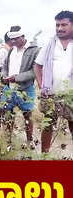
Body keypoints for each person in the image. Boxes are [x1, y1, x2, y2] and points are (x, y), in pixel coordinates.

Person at [35, 10, 73, 153]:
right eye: (57, 25)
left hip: (71, 95)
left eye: (64, 25)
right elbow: (37, 66)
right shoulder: (50, 44)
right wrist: (41, 85)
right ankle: (45, 156)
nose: (60, 28)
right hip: (51, 94)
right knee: (48, 124)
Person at [0, 29, 40, 147]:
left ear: (23, 36)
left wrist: (16, 78)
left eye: (16, 39)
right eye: (11, 39)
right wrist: (4, 75)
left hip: (26, 88)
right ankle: (7, 143)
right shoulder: (11, 50)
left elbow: (34, 71)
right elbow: (5, 66)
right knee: (7, 114)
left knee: (27, 115)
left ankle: (29, 141)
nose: (13, 41)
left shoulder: (34, 50)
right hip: (9, 88)